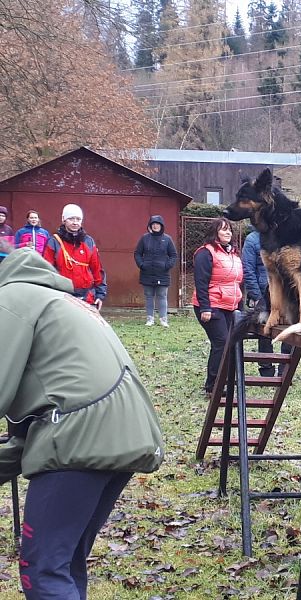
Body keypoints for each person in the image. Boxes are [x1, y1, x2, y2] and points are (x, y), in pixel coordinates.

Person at [0, 247, 164, 600]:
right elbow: (46, 405)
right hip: (127, 432)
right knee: (67, 558)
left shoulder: (11, 298)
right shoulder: (66, 302)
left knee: (43, 569)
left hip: (80, 436)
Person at [193, 217, 243, 394]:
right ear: (215, 233)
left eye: (229, 229)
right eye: (223, 230)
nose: (228, 232)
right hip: (211, 306)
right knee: (221, 342)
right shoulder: (204, 253)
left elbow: (237, 282)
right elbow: (201, 282)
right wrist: (205, 308)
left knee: (231, 343)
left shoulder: (234, 254)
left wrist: (240, 306)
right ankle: (213, 385)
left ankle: (227, 381)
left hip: (231, 305)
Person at [43, 204, 107, 310]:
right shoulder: (54, 242)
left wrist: (100, 294)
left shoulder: (88, 241)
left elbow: (97, 269)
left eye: (78, 219)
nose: (75, 222)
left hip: (87, 297)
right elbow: (46, 270)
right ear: (64, 219)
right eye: (71, 218)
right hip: (62, 296)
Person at [134, 215, 178, 327]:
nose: (155, 226)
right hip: (147, 272)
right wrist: (142, 265)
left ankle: (163, 319)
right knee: (149, 295)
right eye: (153, 224)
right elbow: (137, 253)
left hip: (162, 273)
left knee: (162, 295)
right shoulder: (144, 238)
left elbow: (173, 255)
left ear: (161, 226)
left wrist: (167, 266)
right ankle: (150, 319)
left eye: (157, 224)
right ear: (150, 226)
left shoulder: (167, 239)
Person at [242, 228, 275, 377]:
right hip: (262, 293)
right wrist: (256, 296)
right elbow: (248, 270)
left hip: (281, 293)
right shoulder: (252, 239)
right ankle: (266, 369)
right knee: (264, 332)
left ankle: (285, 371)